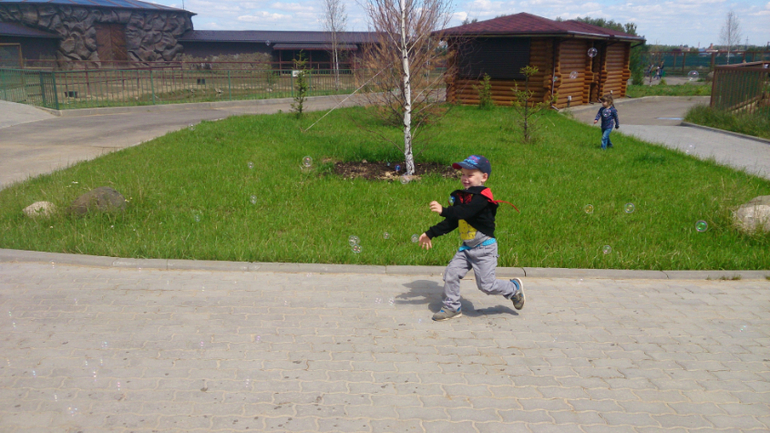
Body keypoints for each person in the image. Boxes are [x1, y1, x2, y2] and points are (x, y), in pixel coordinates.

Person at [418, 155, 525, 321]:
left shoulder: (482, 198)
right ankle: (452, 307)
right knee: (451, 274)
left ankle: (513, 288)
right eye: (462, 174)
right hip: (467, 249)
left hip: (484, 249)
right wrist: (430, 233)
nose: (465, 178)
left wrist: (444, 210)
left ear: (484, 177)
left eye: (470, 175)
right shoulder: (463, 197)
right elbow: (453, 220)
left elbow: (465, 213)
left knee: (486, 286)